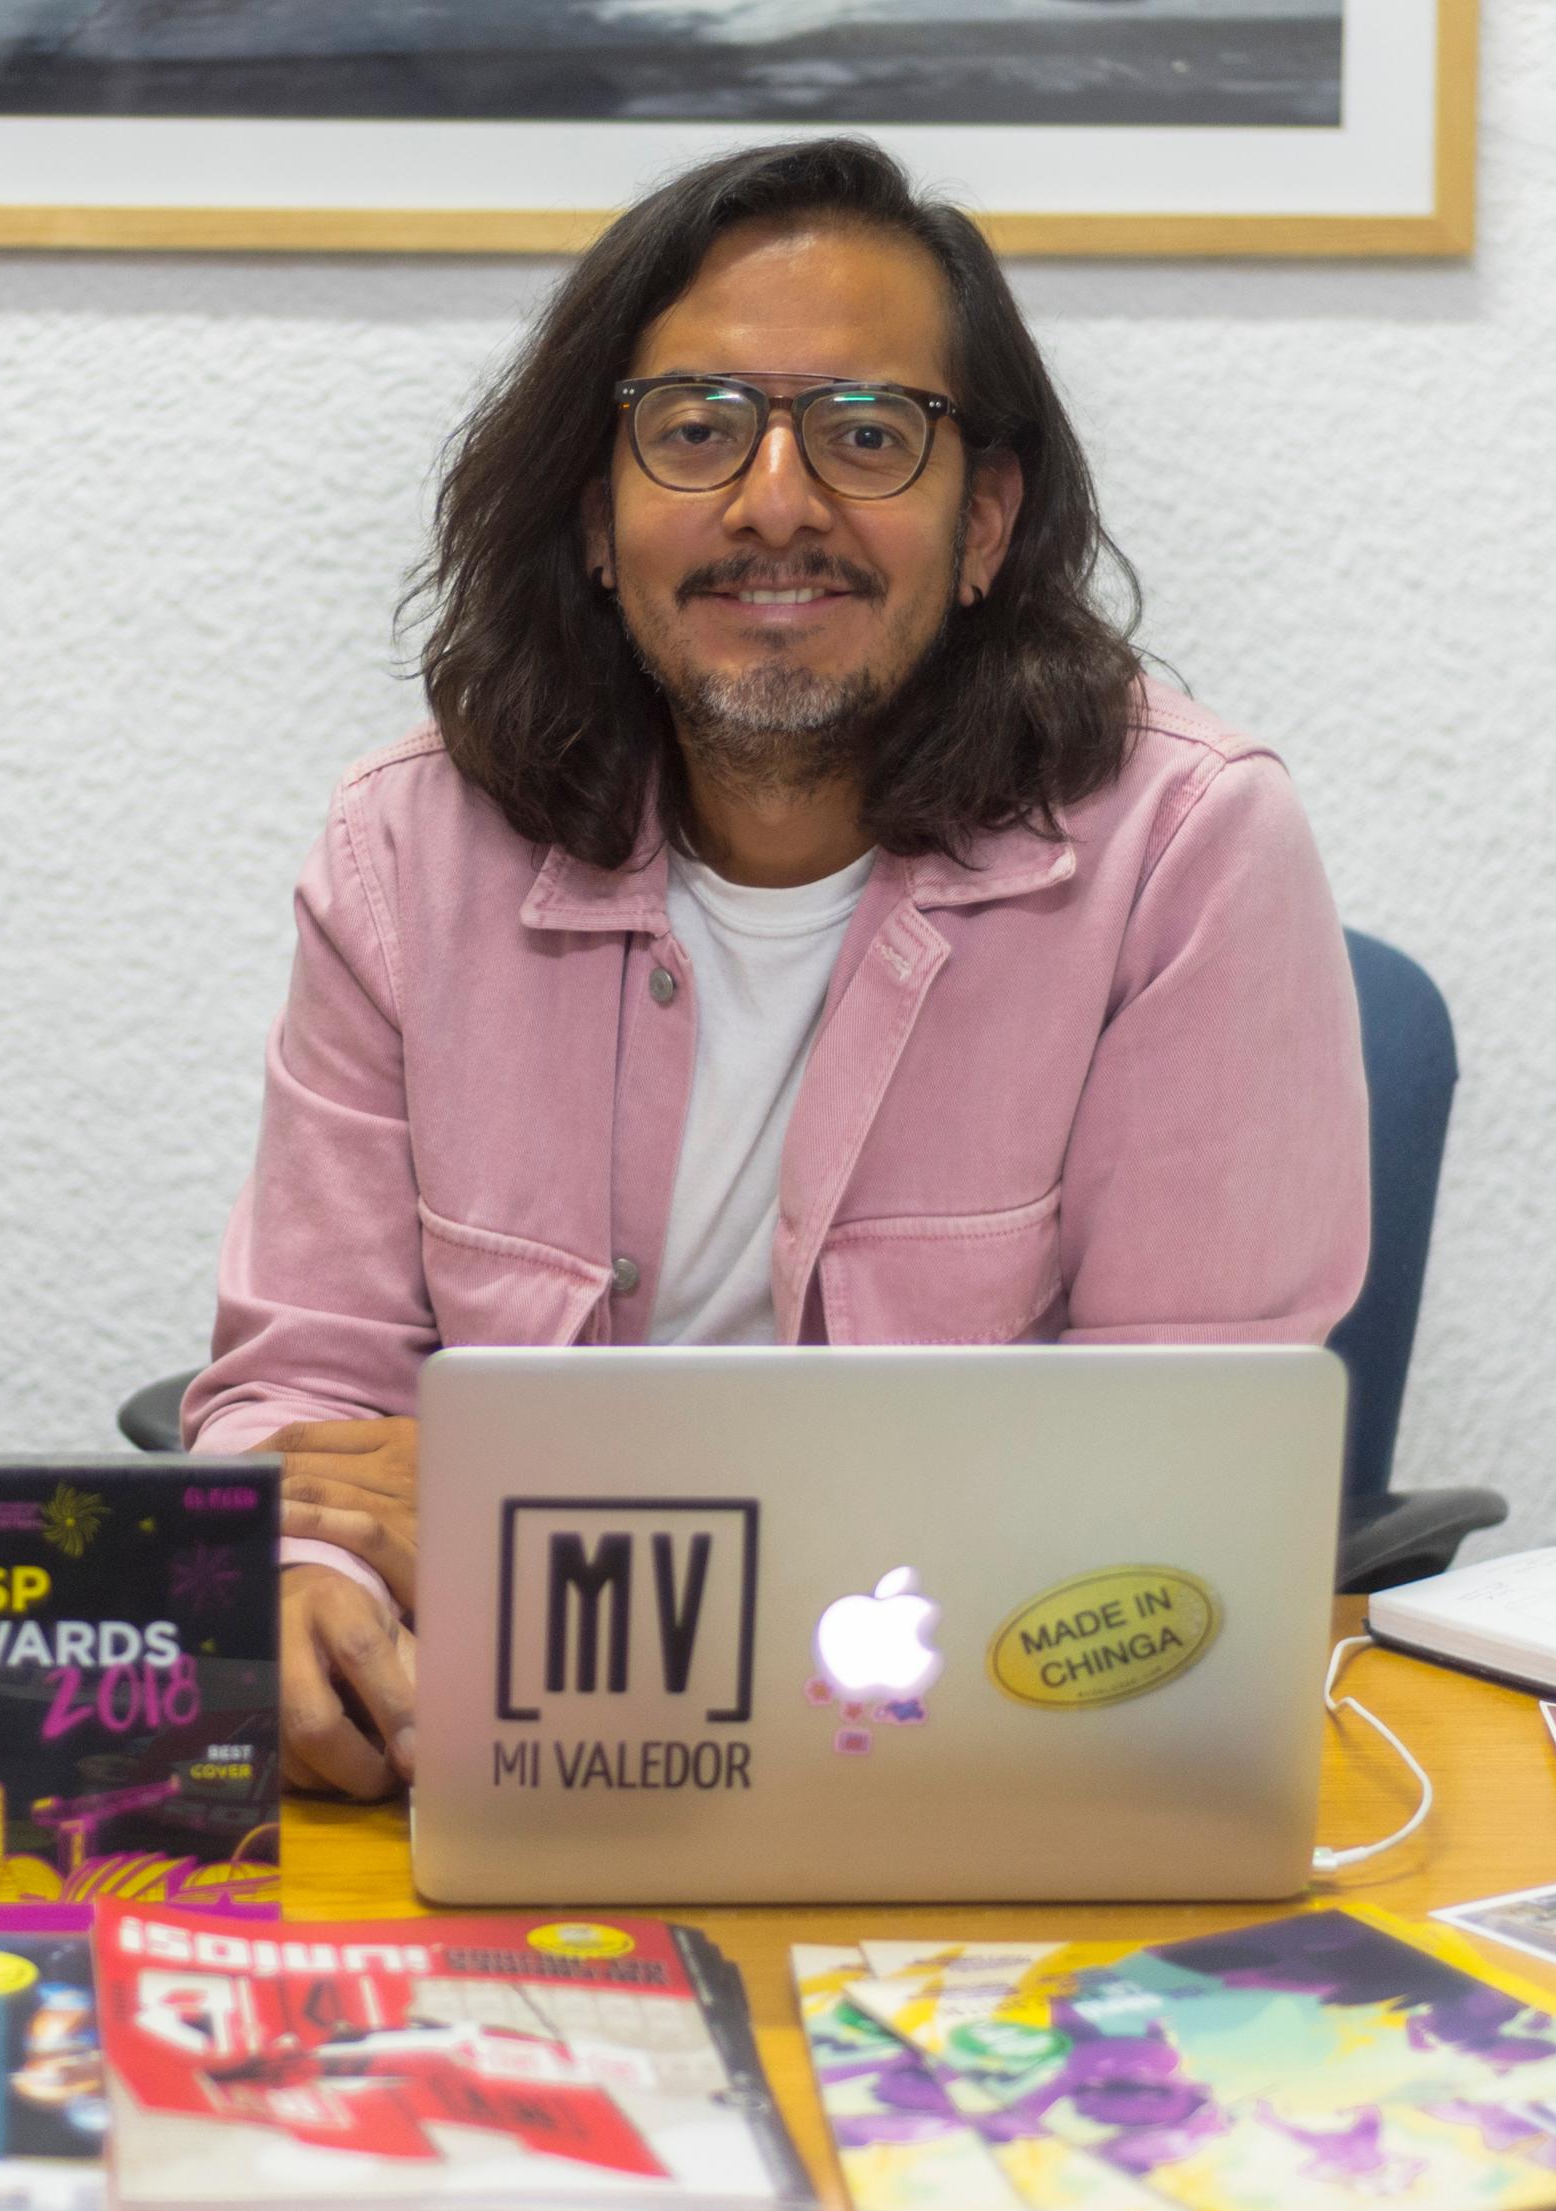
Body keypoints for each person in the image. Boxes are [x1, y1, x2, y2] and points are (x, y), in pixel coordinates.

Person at [189, 137, 1373, 1797]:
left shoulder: (1187, 847)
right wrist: (315, 1577)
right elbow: (306, 1393)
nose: (775, 502)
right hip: (513, 1767)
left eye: (869, 435)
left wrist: (521, 1502)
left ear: (987, 525)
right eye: (695, 431)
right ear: (596, 519)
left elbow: (1171, 1497)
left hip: (986, 1773)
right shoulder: (410, 851)